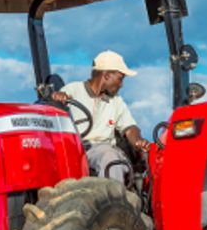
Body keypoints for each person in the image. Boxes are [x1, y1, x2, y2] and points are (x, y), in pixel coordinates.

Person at [51, 50, 152, 183]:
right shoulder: (73, 90)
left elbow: (130, 128)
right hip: (76, 149)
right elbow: (54, 101)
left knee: (112, 157)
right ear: (106, 76)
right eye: (120, 78)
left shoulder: (116, 101)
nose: (121, 84)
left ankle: (115, 199)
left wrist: (138, 140)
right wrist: (57, 97)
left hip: (103, 150)